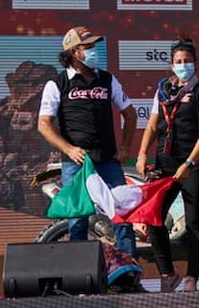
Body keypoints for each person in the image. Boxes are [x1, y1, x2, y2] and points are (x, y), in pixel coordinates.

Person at [37, 26, 138, 257]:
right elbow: (43, 124)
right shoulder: (57, 83)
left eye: (95, 46)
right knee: (77, 222)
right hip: (76, 162)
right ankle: (80, 280)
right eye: (88, 46)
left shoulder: (107, 79)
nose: (94, 51)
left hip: (107, 160)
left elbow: (130, 114)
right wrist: (69, 149)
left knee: (123, 216)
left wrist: (125, 148)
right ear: (74, 52)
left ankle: (130, 273)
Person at [136, 35, 199, 292]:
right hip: (165, 164)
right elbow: (151, 125)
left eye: (187, 61)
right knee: (154, 217)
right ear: (171, 65)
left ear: (195, 63)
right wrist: (141, 154)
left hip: (194, 164)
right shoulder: (162, 91)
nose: (183, 65)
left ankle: (192, 276)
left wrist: (190, 163)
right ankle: (168, 273)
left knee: (194, 221)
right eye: (178, 61)